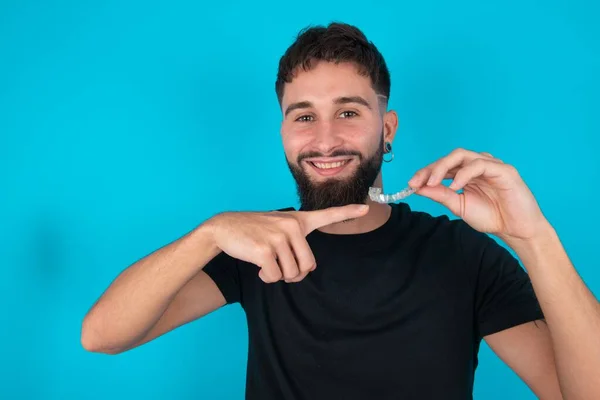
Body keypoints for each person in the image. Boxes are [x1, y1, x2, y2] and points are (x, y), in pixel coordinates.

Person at [81, 22, 600, 399]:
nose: (325, 140)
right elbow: (102, 336)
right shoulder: (257, 243)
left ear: (387, 128)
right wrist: (210, 233)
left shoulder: (462, 254)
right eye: (303, 116)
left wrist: (534, 237)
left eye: (348, 112)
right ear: (283, 132)